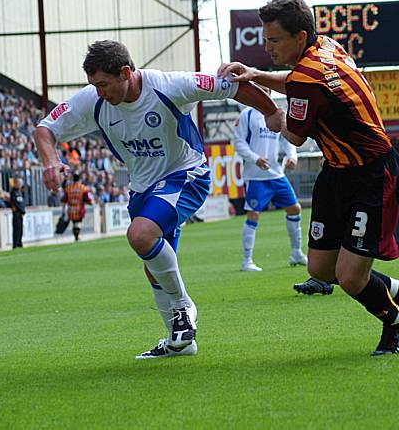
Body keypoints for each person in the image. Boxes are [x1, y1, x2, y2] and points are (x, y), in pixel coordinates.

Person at [36, 39, 282, 359]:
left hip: (186, 174)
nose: (99, 93)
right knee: (153, 264)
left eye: (104, 84)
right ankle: (180, 342)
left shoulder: (171, 86)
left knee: (140, 235)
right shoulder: (93, 100)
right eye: (94, 85)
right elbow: (45, 129)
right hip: (142, 187)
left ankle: (183, 306)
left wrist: (272, 111)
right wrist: (51, 162)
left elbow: (233, 87)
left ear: (126, 72)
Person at [218, 0, 399, 356]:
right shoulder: (326, 47)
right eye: (265, 39)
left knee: (350, 277)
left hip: (371, 173)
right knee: (322, 269)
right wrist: (256, 75)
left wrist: (270, 112)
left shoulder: (306, 79)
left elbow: (295, 134)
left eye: (274, 40)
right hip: (336, 173)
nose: (267, 47)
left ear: (299, 37)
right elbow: (300, 81)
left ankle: (397, 323)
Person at [233, 101, 307, 272]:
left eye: (267, 90)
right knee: (253, 215)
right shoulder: (247, 114)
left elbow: (287, 138)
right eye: (262, 89)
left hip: (276, 173)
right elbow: (239, 142)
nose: (265, 93)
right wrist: (255, 159)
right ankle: (247, 261)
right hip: (255, 176)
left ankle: (296, 253)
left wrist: (292, 155)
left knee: (294, 209)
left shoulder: (278, 114)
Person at [62, 173, 92, 242]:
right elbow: (88, 198)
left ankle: (76, 237)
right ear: (79, 179)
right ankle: (76, 237)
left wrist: (63, 210)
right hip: (79, 209)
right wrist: (90, 202)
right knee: (78, 223)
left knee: (74, 223)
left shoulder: (69, 188)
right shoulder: (83, 188)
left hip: (71, 210)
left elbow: (64, 200)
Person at [10, 176, 26, 248]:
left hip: (20, 213)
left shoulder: (20, 192)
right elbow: (15, 203)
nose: (20, 185)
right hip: (16, 213)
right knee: (16, 229)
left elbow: (21, 202)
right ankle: (15, 244)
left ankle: (20, 242)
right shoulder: (13, 192)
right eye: (19, 183)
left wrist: (23, 210)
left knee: (20, 229)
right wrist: (21, 210)